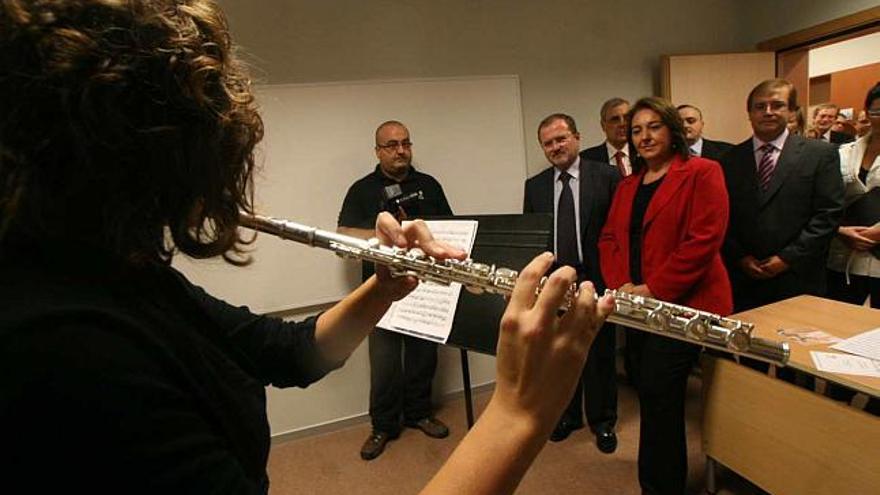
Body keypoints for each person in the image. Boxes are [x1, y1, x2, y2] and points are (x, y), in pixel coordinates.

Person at [0, 2, 615, 494]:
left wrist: (390, 282)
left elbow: (292, 353)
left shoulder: (114, 269)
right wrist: (517, 416)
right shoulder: (58, 343)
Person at [598, 96, 732, 495]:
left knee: (658, 395)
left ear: (673, 130)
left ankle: (659, 486)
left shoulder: (703, 172)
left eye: (653, 126)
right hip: (640, 307)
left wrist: (653, 288)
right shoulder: (628, 186)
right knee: (653, 394)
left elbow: (703, 241)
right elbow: (609, 239)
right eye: (636, 130)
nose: (644, 136)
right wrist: (623, 284)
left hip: (688, 306)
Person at [337, 120, 454, 460]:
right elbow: (342, 233)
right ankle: (383, 426)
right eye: (391, 145)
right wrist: (382, 235)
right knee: (385, 360)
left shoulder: (429, 185)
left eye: (405, 143)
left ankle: (419, 413)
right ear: (378, 151)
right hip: (380, 290)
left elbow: (451, 226)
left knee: (423, 356)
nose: (400, 150)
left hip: (424, 287)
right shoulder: (361, 189)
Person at [523, 114, 620, 452]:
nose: (556, 147)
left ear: (577, 137)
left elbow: (619, 230)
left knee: (600, 353)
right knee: (560, 353)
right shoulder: (534, 186)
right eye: (548, 143)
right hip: (556, 283)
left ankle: (603, 421)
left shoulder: (606, 175)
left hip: (597, 276)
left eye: (561, 139)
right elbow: (535, 240)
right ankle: (566, 416)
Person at [721, 79, 844, 313]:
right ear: (749, 113)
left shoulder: (820, 154)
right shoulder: (729, 159)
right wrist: (741, 257)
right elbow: (723, 217)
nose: (768, 112)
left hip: (798, 277)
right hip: (743, 279)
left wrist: (786, 258)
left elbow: (828, 215)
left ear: (791, 111)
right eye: (759, 106)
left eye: (777, 105)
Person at [826, 82, 880, 308]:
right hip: (843, 254)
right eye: (877, 112)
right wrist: (839, 230)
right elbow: (824, 201)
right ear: (867, 113)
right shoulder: (844, 152)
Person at [581, 97, 637, 177]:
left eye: (627, 118)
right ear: (603, 125)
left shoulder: (642, 155)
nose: (622, 124)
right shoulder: (586, 160)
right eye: (615, 119)